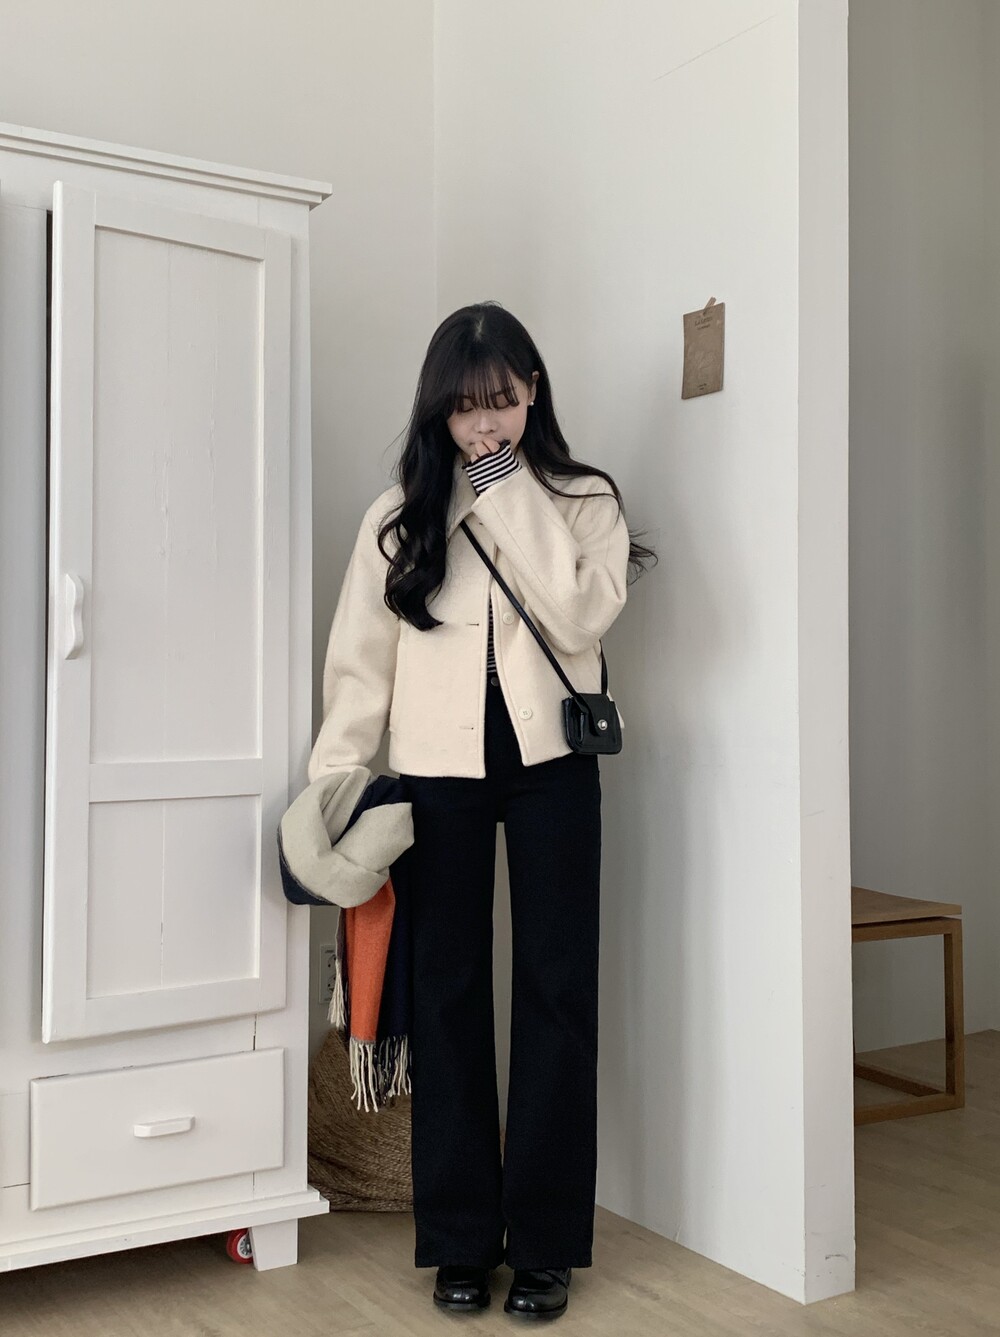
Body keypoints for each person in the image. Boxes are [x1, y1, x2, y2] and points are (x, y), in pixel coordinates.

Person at [307, 301, 656, 1321]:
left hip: (554, 766)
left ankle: (545, 1245)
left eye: (500, 399)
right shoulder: (400, 514)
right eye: (466, 408)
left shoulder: (583, 500)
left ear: (532, 391)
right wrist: (339, 780)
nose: (484, 422)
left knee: (557, 992)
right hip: (434, 770)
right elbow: (359, 664)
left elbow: (580, 612)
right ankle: (459, 1240)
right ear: (439, 410)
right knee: (447, 993)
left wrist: (507, 487)